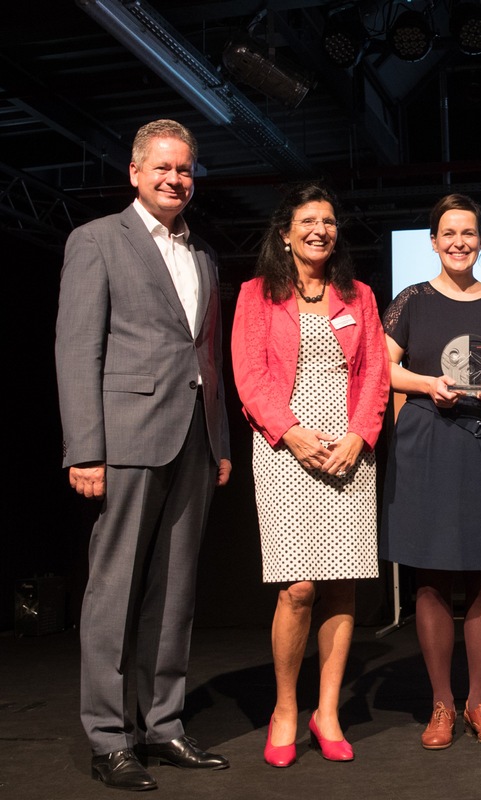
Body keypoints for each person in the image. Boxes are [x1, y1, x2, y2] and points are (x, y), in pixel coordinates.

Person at [55, 118, 232, 791]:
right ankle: (108, 737)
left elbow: (204, 355)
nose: (174, 179)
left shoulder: (204, 256)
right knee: (114, 590)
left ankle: (163, 725)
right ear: (134, 172)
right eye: (162, 168)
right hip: (125, 437)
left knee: (176, 591)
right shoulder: (97, 240)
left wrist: (217, 438)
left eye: (184, 170)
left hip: (192, 437)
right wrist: (86, 448)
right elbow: (76, 349)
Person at [231, 183, 390, 767]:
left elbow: (375, 373)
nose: (320, 229)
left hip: (348, 452)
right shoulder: (257, 294)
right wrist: (291, 433)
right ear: (286, 232)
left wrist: (358, 436)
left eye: (328, 220)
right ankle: (286, 709)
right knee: (298, 588)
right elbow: (248, 375)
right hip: (284, 452)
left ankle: (328, 712)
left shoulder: (361, 296)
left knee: (343, 585)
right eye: (308, 220)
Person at [380, 194, 481, 750]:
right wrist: (426, 384)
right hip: (428, 442)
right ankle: (441, 704)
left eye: (469, 233)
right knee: (431, 574)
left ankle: (478, 702)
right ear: (434, 242)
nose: (460, 242)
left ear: (480, 240)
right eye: (449, 233)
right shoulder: (412, 300)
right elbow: (384, 368)